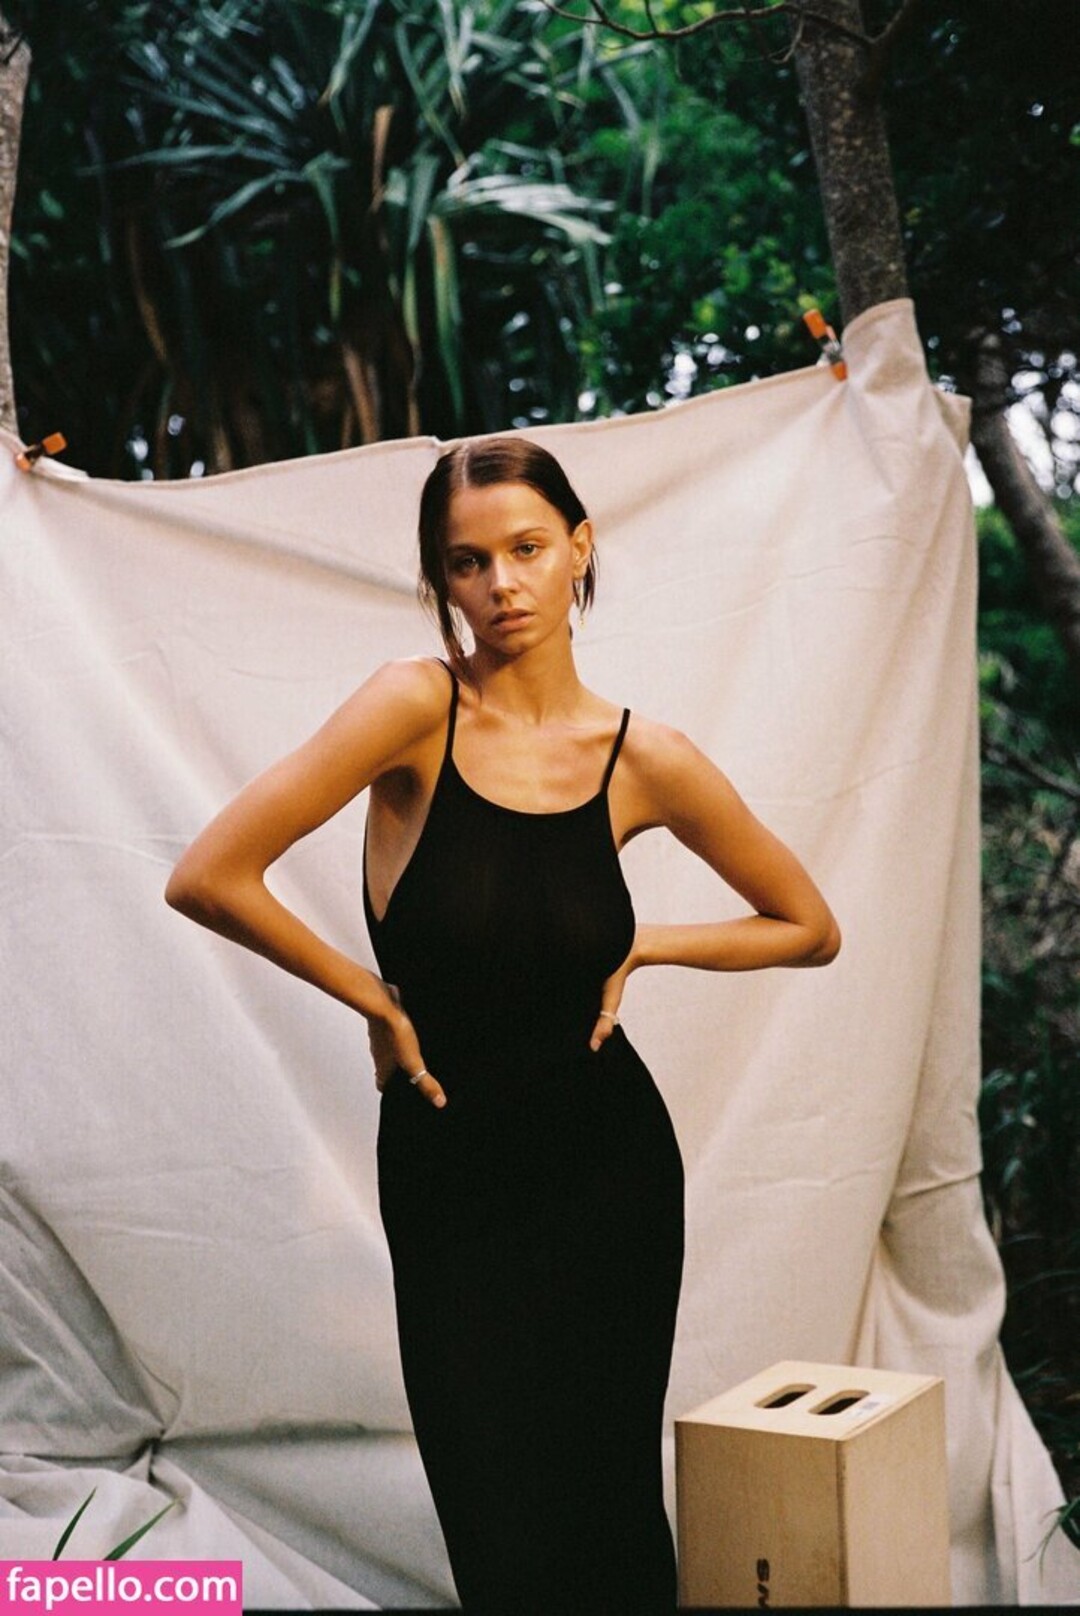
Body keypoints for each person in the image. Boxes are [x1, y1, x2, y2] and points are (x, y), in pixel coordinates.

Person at [165, 434, 841, 1612]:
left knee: (610, 1500)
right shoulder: (413, 706)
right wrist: (373, 995)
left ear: (579, 546)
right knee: (498, 1517)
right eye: (467, 561)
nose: (501, 585)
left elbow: (808, 924)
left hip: (611, 1171)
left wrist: (649, 942)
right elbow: (210, 873)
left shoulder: (645, 758)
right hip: (450, 1167)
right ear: (442, 579)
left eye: (526, 548)